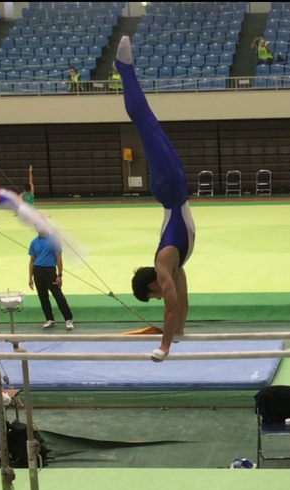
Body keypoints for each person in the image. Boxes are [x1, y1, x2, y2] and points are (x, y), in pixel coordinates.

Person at [115, 36, 194, 362]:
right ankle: (126, 70)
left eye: (156, 296)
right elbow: (182, 300)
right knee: (149, 121)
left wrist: (165, 346)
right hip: (176, 189)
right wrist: (180, 331)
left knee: (144, 122)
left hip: (169, 189)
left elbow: (171, 305)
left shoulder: (164, 265)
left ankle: (124, 69)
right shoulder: (175, 269)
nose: (162, 296)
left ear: (153, 286)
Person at [29, 229, 74, 330]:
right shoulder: (34, 242)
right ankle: (50, 319)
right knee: (43, 297)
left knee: (58, 295)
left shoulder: (54, 240)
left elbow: (59, 258)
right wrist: (30, 277)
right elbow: (32, 260)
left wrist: (60, 275)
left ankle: (68, 319)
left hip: (50, 271)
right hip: (38, 271)